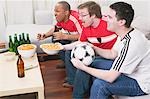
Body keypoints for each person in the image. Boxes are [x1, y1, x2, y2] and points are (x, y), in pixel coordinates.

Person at [71, 2, 150, 99]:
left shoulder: (131, 44)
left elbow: (110, 77)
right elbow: (112, 53)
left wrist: (83, 68)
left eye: (109, 17)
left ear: (121, 22)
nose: (105, 19)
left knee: (100, 85)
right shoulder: (124, 34)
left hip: (139, 83)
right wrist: (93, 47)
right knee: (91, 62)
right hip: (129, 72)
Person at [62, 1, 117, 97]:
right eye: (79, 15)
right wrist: (63, 47)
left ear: (93, 15)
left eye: (83, 15)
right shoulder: (86, 27)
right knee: (71, 54)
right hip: (96, 54)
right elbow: (81, 42)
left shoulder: (109, 25)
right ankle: (76, 86)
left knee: (84, 67)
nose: (79, 18)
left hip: (110, 57)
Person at [37, 1, 82, 68]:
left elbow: (83, 36)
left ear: (66, 12)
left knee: (66, 48)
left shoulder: (76, 19)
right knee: (55, 38)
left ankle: (71, 66)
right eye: (55, 11)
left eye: (57, 11)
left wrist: (64, 36)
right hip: (71, 36)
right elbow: (56, 29)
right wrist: (45, 35)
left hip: (80, 40)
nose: (55, 14)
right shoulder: (61, 18)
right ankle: (66, 62)